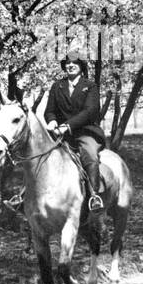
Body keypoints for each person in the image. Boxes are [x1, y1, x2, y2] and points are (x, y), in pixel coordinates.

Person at [44, 53, 107, 212]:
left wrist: (67, 125)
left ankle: (94, 195)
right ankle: (24, 196)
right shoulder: (57, 86)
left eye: (74, 63)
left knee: (90, 155)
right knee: (40, 155)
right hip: (61, 135)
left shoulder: (90, 86)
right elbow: (49, 111)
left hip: (85, 132)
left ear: (81, 66)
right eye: (67, 63)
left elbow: (89, 112)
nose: (70, 65)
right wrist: (51, 121)